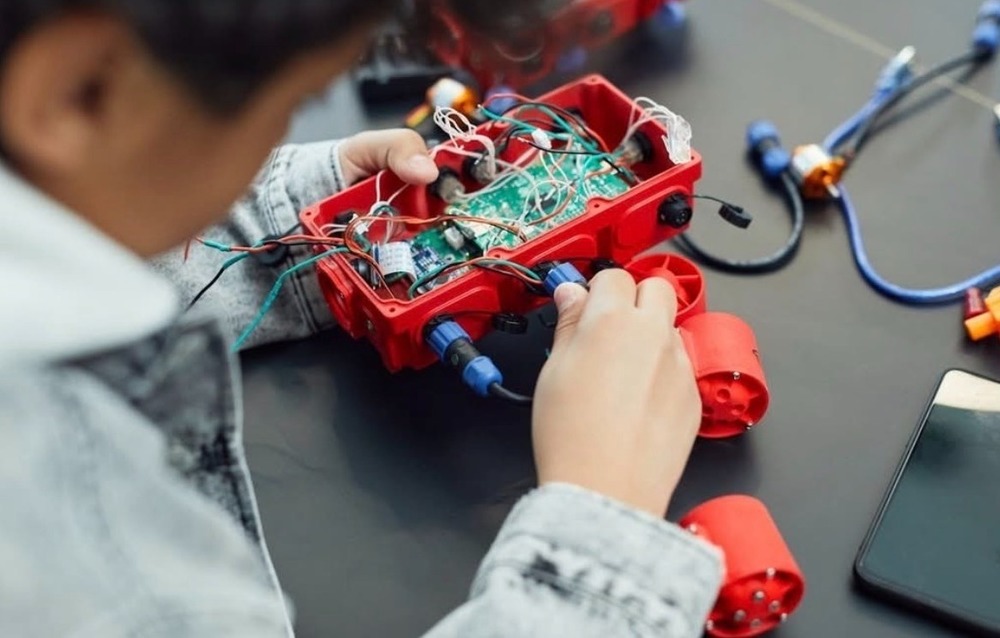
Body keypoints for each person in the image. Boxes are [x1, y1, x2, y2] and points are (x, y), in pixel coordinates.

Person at [0, 1, 723, 636]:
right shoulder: (112, 592)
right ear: (77, 91)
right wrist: (599, 527)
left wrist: (306, 217)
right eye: (291, 100)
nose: (279, 127)